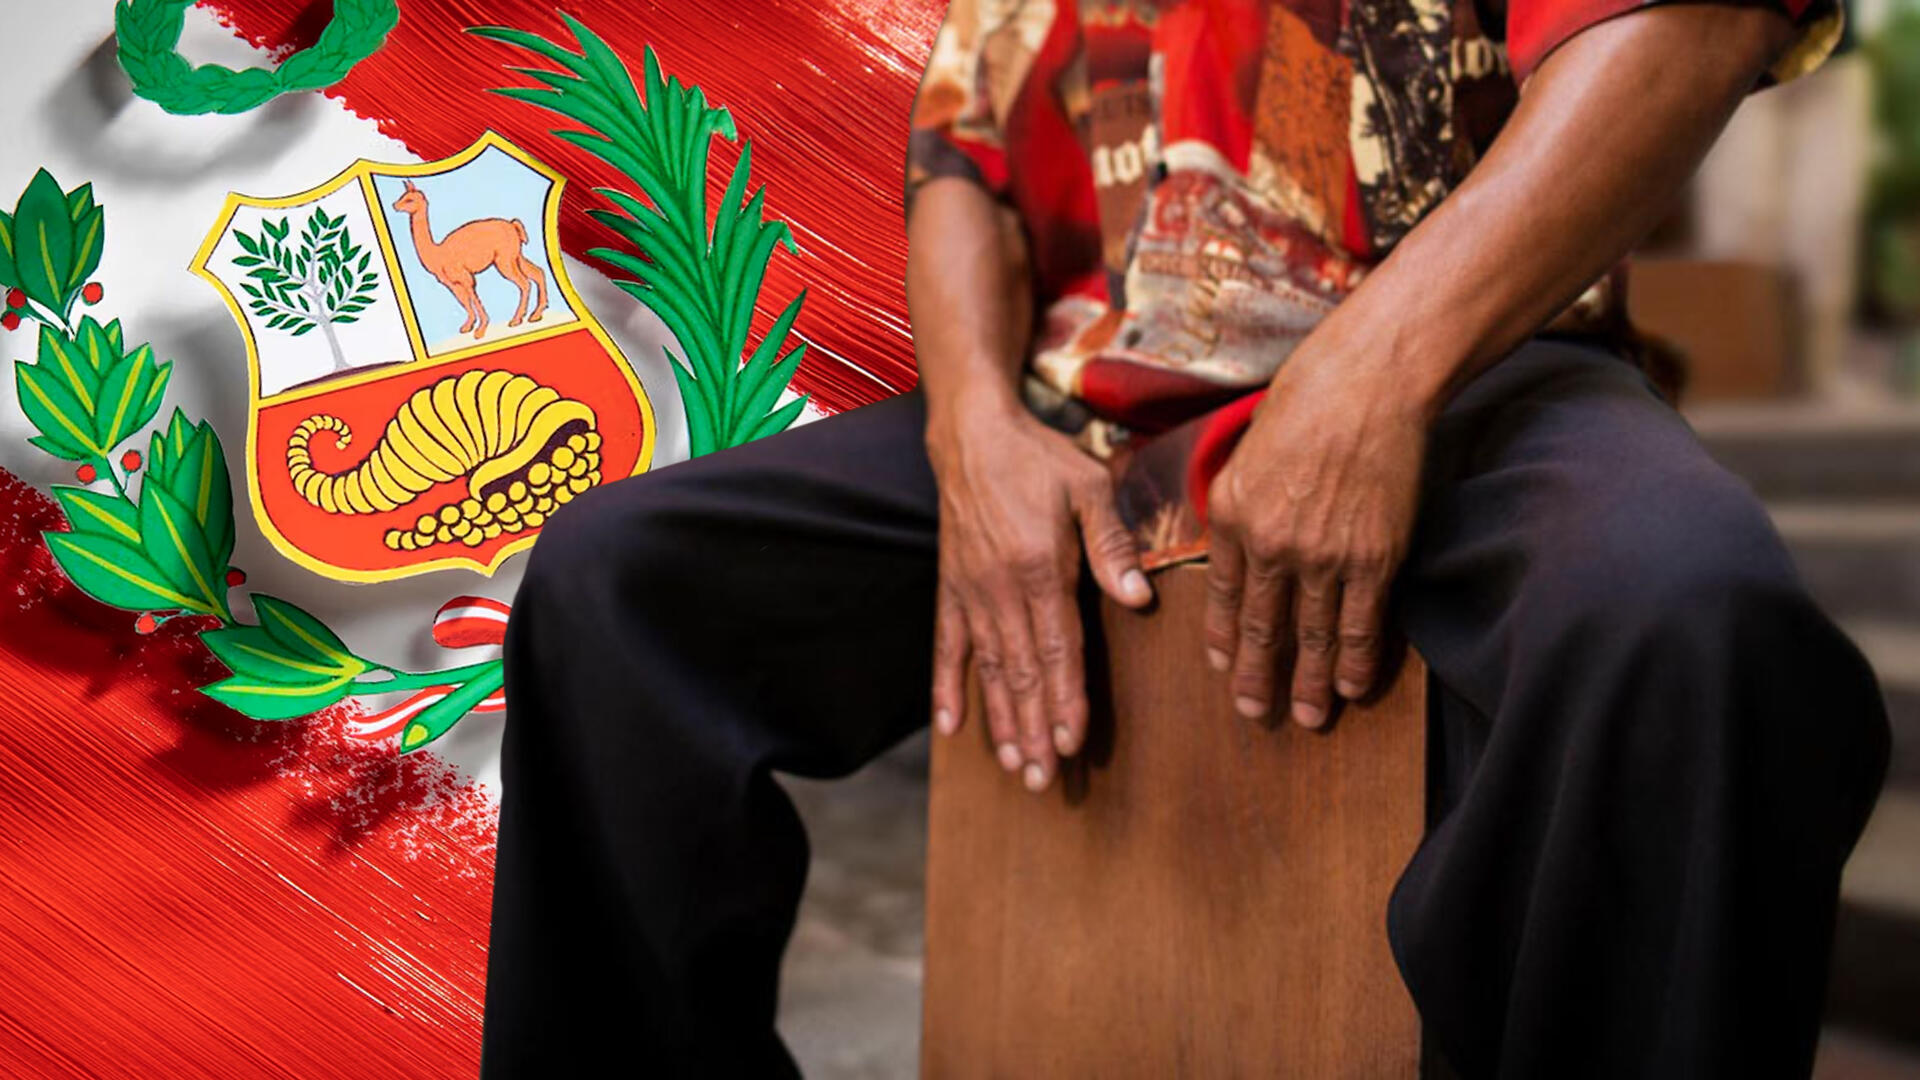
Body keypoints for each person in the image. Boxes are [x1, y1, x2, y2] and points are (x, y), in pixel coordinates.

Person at [479, 0, 1892, 1075]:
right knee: (617, 592)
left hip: (1467, 367)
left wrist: (1375, 374)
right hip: (1082, 398)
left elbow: (1684, 33)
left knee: (1689, 620)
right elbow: (963, 149)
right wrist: (972, 428)